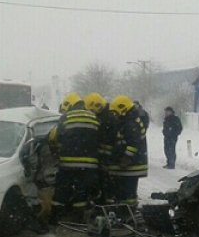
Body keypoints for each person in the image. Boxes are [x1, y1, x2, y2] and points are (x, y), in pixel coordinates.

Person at [48, 92, 101, 222]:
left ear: (69, 104)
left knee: (62, 190)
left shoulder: (66, 117)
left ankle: (56, 217)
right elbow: (100, 138)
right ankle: (78, 218)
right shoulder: (93, 117)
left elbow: (54, 137)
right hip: (89, 164)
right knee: (81, 191)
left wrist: (56, 150)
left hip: (68, 163)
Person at [107, 95, 148, 206]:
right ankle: (126, 211)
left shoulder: (130, 123)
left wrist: (126, 158)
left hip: (132, 165)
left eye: (115, 112)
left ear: (122, 108)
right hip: (133, 164)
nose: (115, 115)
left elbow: (133, 144)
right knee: (126, 193)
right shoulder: (130, 119)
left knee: (127, 193)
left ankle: (127, 212)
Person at [84, 92, 116, 204]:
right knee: (103, 181)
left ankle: (107, 204)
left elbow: (107, 140)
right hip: (104, 157)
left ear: (97, 105)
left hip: (107, 157)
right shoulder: (105, 116)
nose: (92, 113)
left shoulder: (107, 118)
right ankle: (105, 201)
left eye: (92, 110)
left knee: (106, 181)